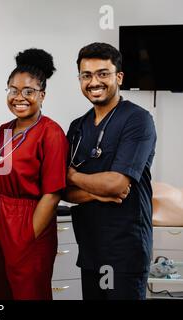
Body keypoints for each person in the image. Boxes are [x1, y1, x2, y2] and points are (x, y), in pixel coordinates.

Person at [64, 42, 157, 300]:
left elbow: (117, 185)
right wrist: (95, 192)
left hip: (124, 250)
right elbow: (63, 191)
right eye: (86, 75)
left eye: (103, 73)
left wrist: (72, 175)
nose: (94, 81)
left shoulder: (138, 120)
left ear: (119, 77)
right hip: (90, 248)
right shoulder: (77, 127)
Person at [0, 48, 68, 300]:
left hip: (28, 220)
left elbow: (52, 194)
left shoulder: (51, 133)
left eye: (29, 91)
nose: (20, 97)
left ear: (42, 95)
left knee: (29, 293)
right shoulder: (3, 131)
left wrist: (26, 238)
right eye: (13, 90)